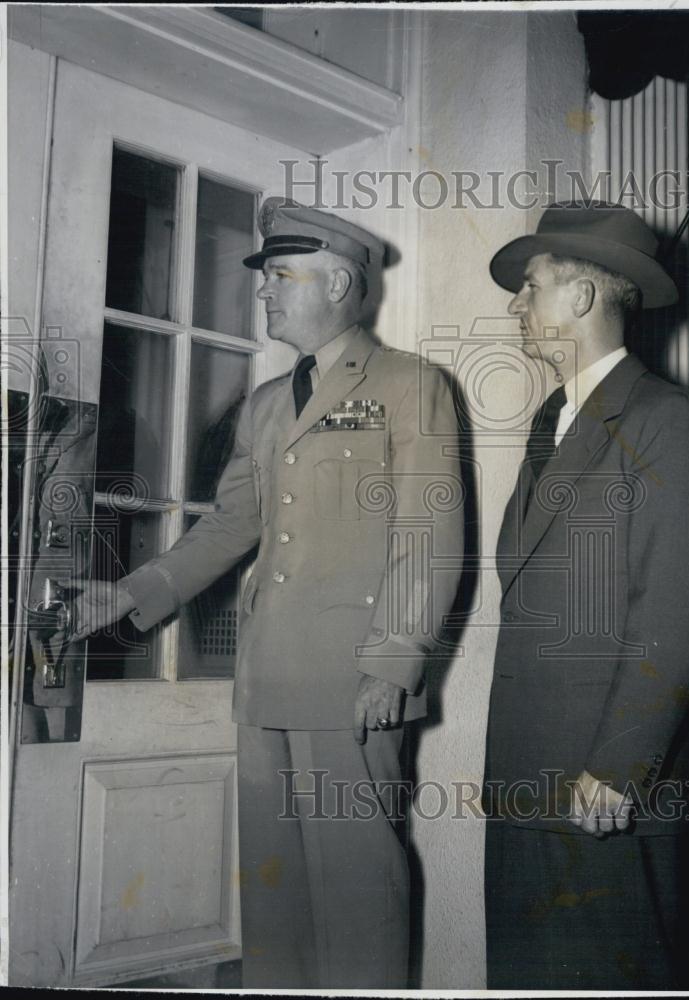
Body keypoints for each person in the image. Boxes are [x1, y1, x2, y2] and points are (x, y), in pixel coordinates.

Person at [74, 198, 463, 989]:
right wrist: (134, 593)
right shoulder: (264, 404)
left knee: (357, 897)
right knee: (274, 897)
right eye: (266, 277)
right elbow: (231, 525)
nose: (263, 290)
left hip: (353, 684)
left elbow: (427, 532)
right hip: (265, 679)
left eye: (281, 275)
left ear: (339, 283)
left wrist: (393, 661)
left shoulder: (408, 384)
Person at [484, 201, 689, 989]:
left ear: (582, 296)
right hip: (526, 771)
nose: (516, 306)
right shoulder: (551, 422)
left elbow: (677, 608)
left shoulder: (671, 422)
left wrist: (621, 765)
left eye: (530, 286)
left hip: (601, 781)